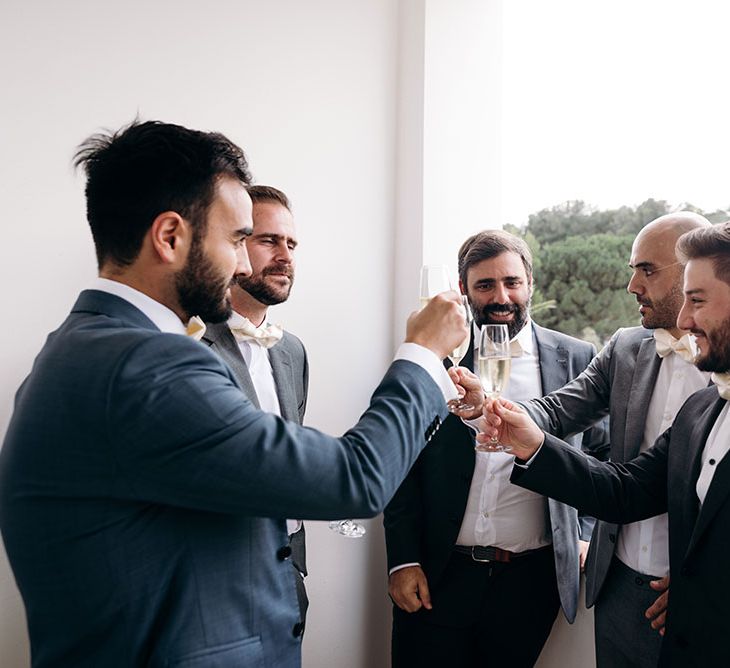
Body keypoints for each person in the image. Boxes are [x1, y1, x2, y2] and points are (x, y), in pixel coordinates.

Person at [0, 120, 478, 668]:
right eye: (235, 240)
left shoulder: (79, 347)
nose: (247, 264)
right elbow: (356, 478)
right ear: (171, 237)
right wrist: (420, 354)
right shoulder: (147, 364)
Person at [481, 222, 730, 667]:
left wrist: (703, 582)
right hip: (618, 591)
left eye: (698, 300)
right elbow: (625, 488)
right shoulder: (703, 409)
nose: (686, 320)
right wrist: (524, 436)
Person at [383, 229, 609, 668]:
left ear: (530, 285)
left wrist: (583, 532)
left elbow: (602, 453)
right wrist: (402, 560)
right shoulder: (436, 356)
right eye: (485, 285)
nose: (500, 296)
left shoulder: (578, 357)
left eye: (512, 283)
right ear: (464, 290)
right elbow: (402, 464)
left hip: (530, 582)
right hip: (437, 575)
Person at [199, 185, 310, 632]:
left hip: (286, 578)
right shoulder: (185, 345)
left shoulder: (294, 352)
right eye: (268, 240)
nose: (285, 255)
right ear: (233, 244)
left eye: (292, 244)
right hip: (215, 580)